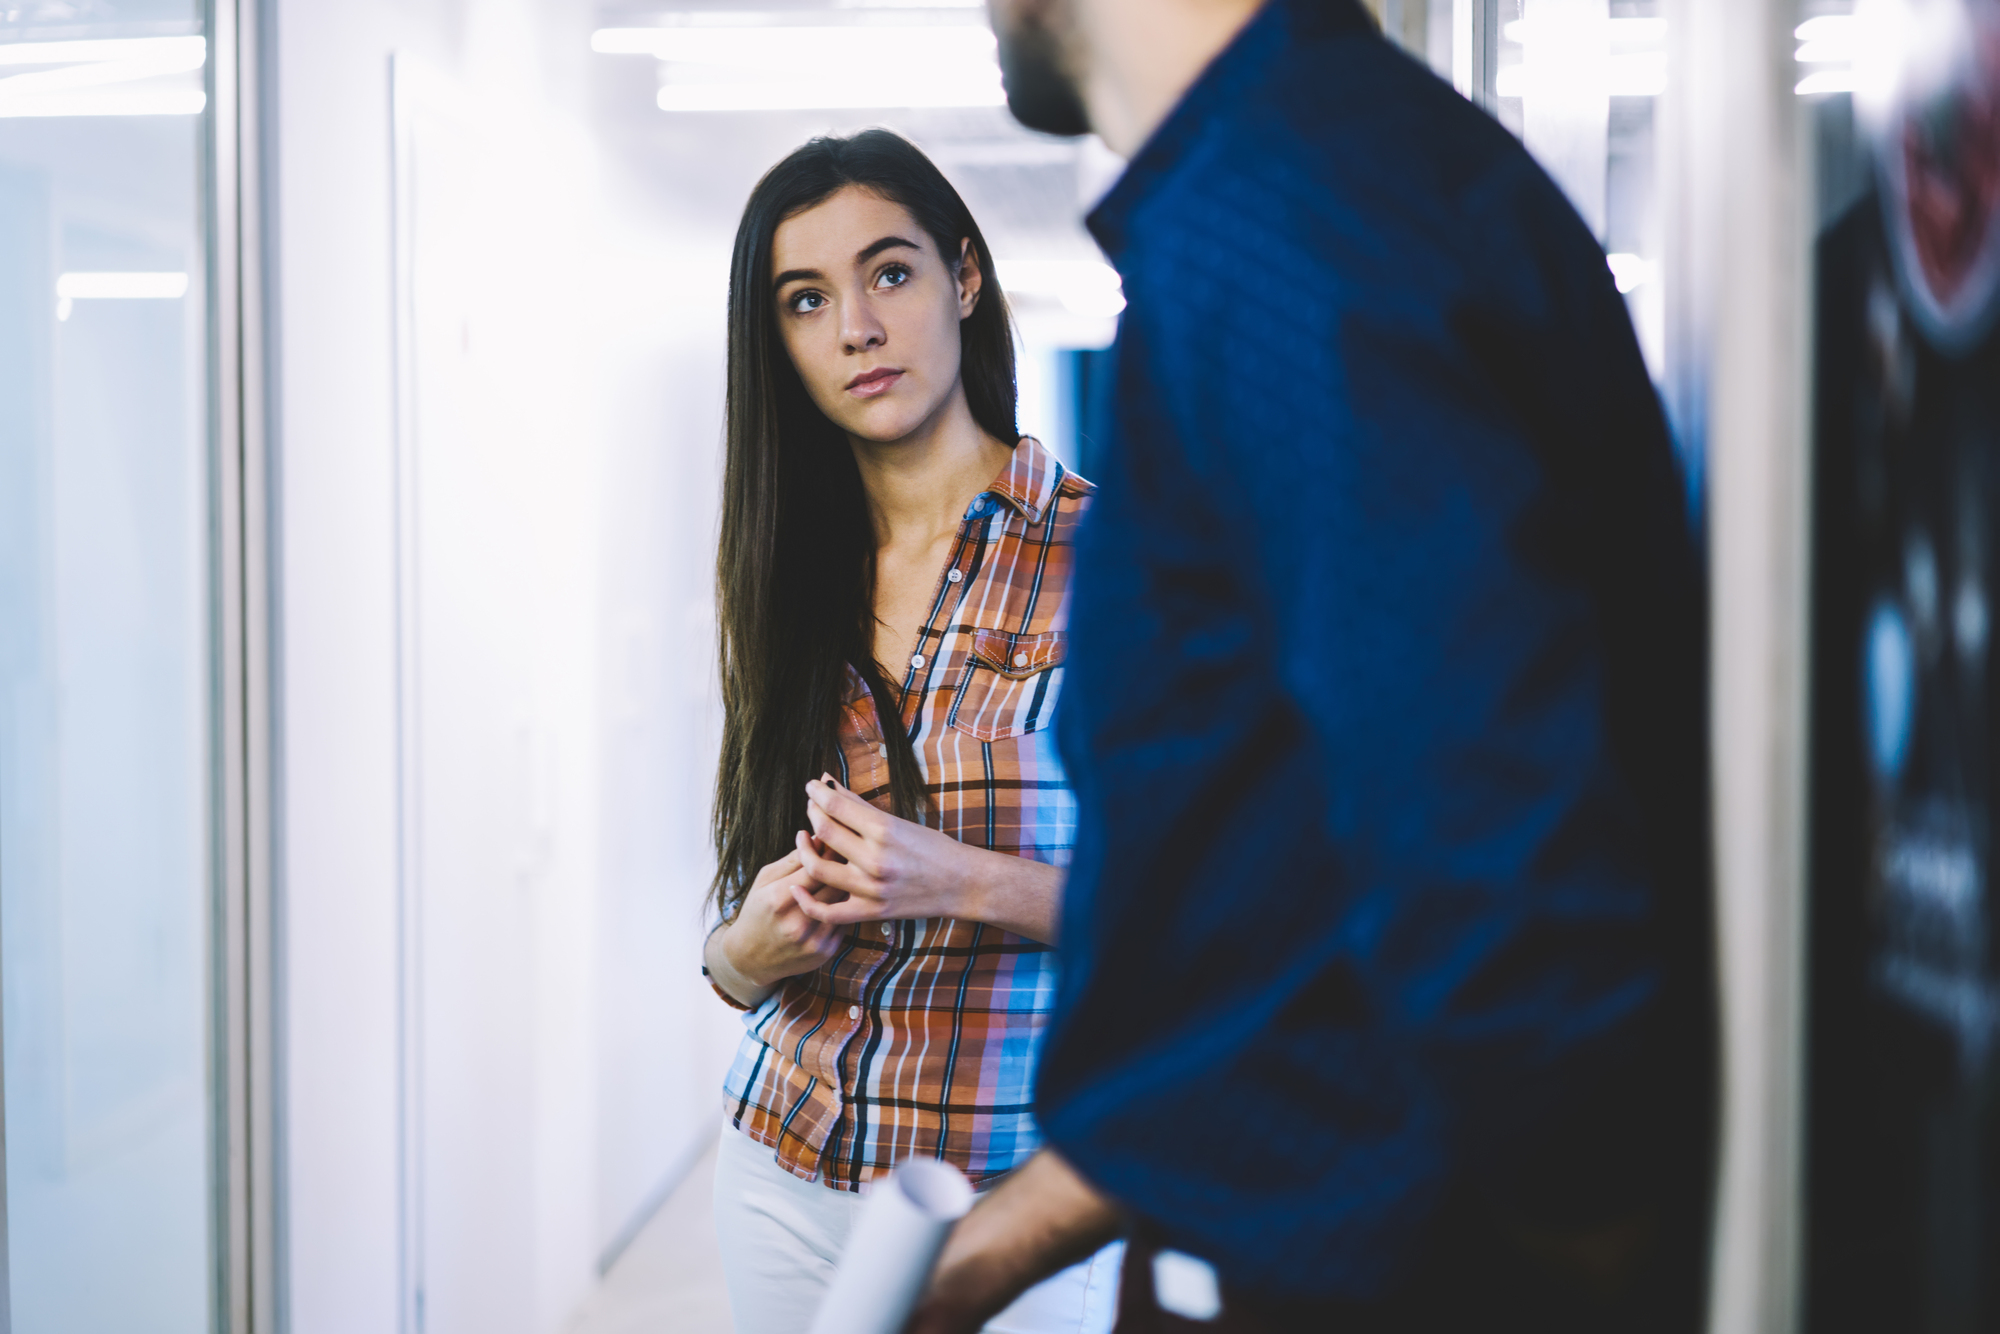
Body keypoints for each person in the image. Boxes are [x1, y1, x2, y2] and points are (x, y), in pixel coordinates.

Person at [906, 1, 1716, 1330]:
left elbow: (1485, 839)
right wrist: (1009, 1235)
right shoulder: (1285, 200)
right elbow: (1284, 898)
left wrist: (1572, 1246)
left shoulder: (1292, 229)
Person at [699, 129, 1122, 1334]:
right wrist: (743, 950)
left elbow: (1219, 920)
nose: (854, 329)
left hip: (1012, 1192)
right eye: (805, 298)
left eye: (888, 273)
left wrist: (963, 880)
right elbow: (737, 936)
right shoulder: (782, 572)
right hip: (783, 1159)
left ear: (965, 277)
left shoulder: (1120, 561)